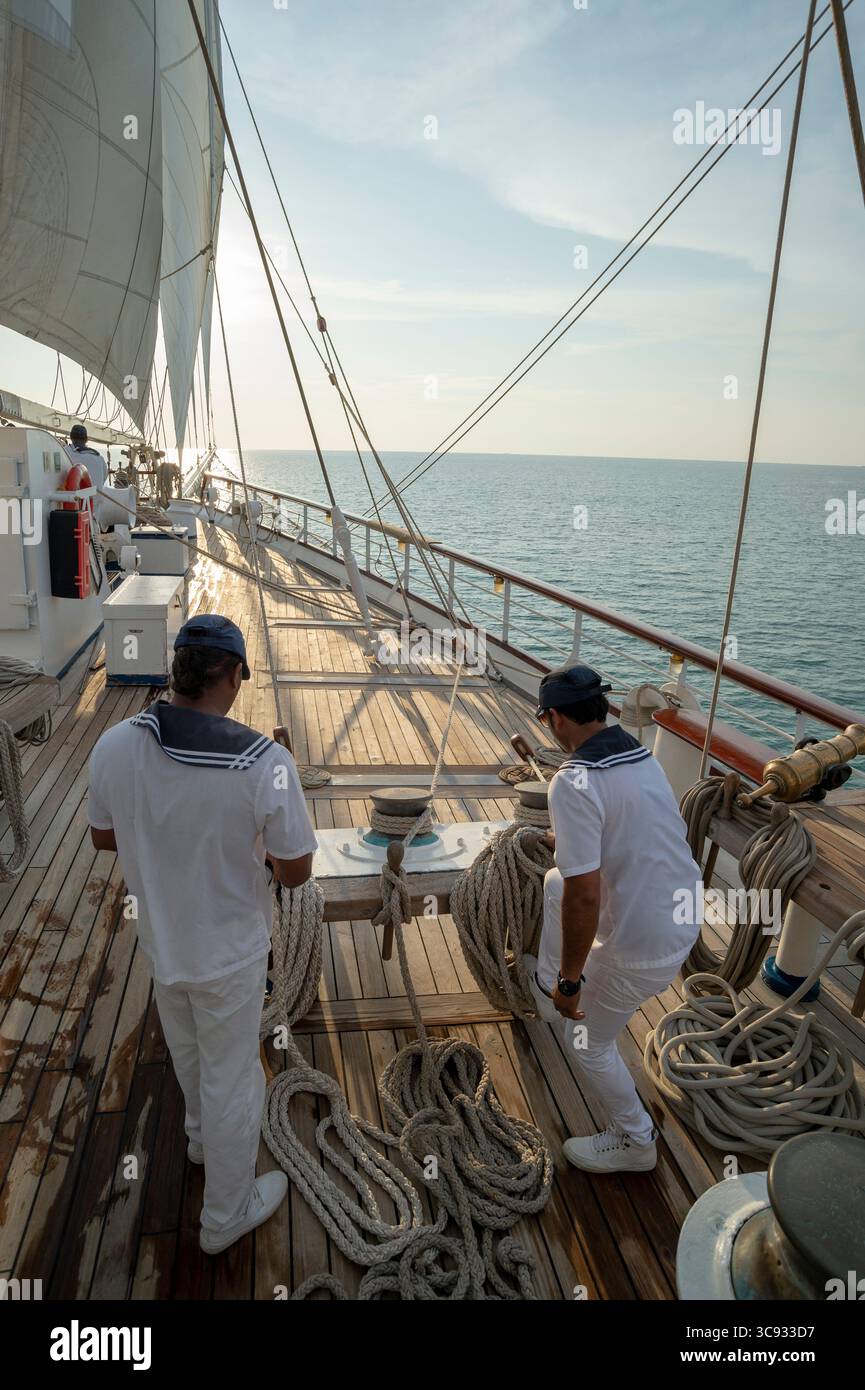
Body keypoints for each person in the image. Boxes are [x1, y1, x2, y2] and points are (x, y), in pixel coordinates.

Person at [88, 615, 318, 1253]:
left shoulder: (113, 746)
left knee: (188, 1054)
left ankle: (197, 1141)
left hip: (162, 945)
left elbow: (104, 836)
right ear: (236, 675)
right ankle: (225, 1214)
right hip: (231, 955)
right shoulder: (265, 763)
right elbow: (295, 873)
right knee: (234, 1078)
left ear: (177, 670)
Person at [523, 664, 702, 1174]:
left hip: (643, 945)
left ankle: (634, 1139)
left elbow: (585, 898)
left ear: (556, 718)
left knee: (585, 1040)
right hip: (681, 916)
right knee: (555, 880)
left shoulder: (571, 782)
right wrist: (570, 843)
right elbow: (630, 831)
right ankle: (548, 980)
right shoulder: (641, 756)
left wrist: (570, 981)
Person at [66, 422, 107, 489]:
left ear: (70, 437)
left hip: (73, 498)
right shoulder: (99, 458)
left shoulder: (64, 452)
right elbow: (104, 478)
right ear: (86, 439)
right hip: (98, 499)